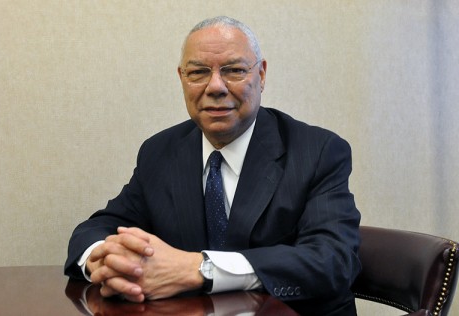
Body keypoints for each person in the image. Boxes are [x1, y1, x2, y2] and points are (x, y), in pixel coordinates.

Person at [65, 16, 361, 315]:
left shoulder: (317, 151)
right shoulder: (160, 152)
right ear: (182, 78)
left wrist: (200, 269)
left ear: (261, 74)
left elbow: (333, 261)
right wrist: (106, 263)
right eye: (199, 72)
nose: (216, 86)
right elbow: (96, 229)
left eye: (233, 70)